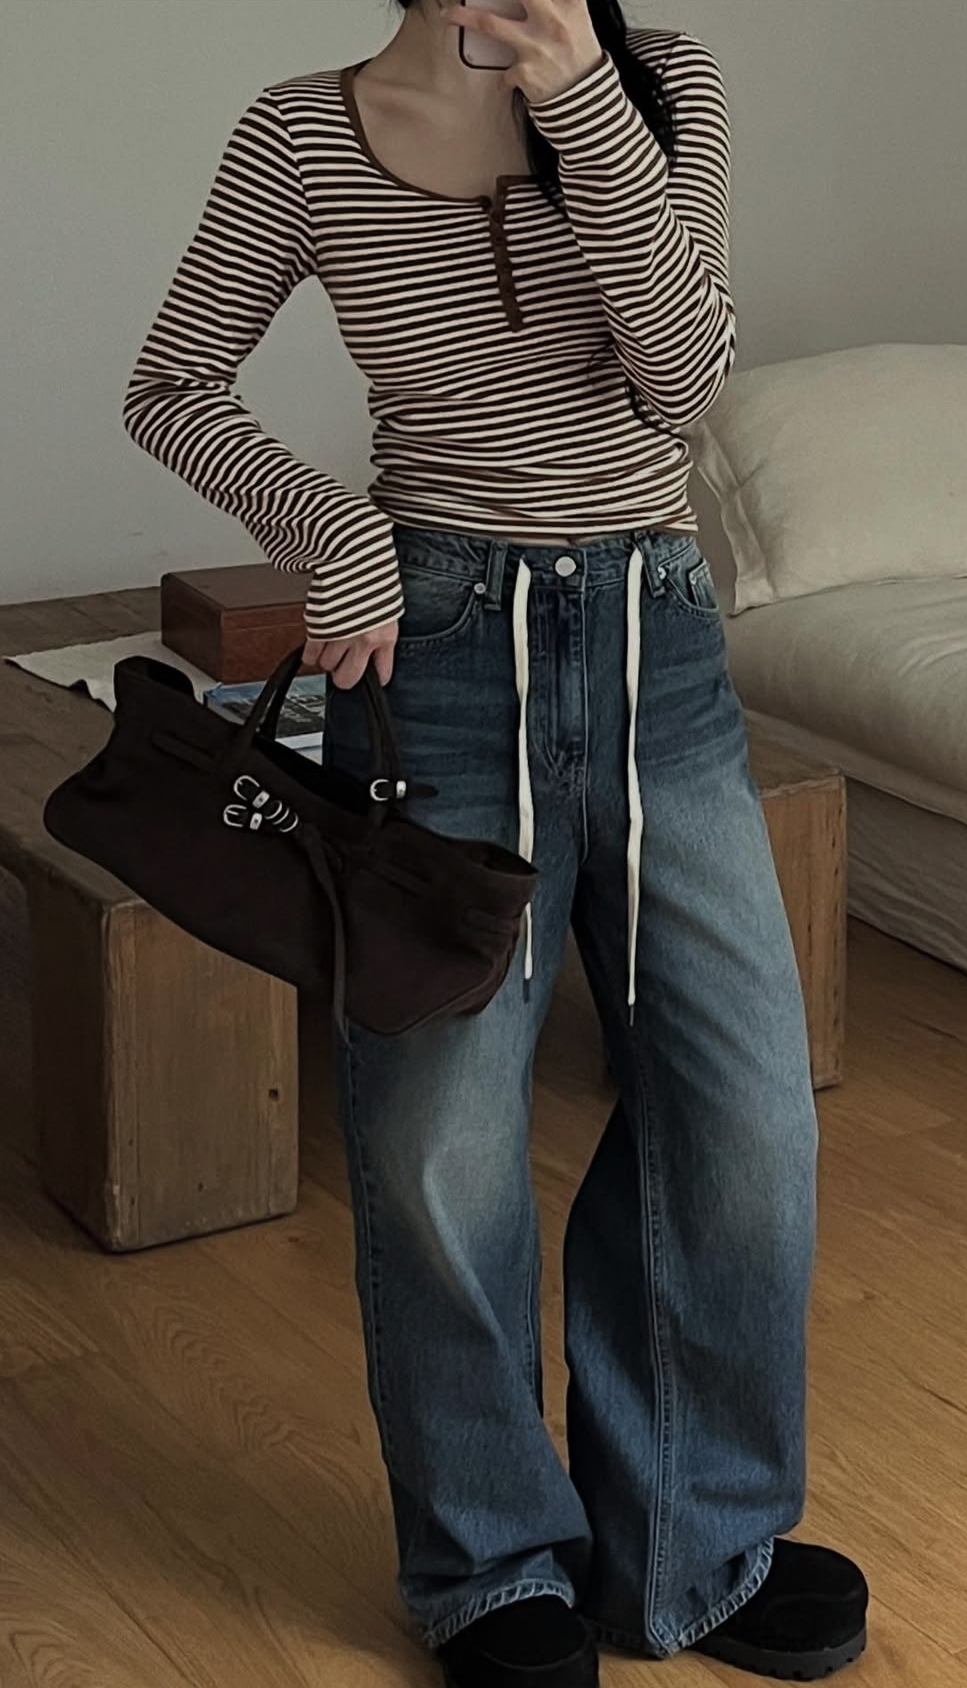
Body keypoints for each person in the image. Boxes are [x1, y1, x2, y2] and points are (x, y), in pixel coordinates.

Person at [122, 2, 869, 1683]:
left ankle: (695, 1540)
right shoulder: (304, 130)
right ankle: (493, 1564)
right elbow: (171, 382)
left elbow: (684, 381)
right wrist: (332, 533)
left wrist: (582, 101)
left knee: (744, 1117)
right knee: (439, 1145)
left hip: (659, 651)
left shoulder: (660, 82)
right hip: (445, 667)